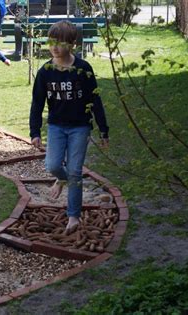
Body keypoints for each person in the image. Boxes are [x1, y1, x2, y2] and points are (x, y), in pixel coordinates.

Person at [29, 20, 110, 233]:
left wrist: (103, 129)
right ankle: (61, 179)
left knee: (75, 171)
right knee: (53, 166)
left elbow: (95, 100)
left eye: (60, 43)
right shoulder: (45, 72)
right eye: (51, 42)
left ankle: (73, 216)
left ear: (72, 44)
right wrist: (35, 131)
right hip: (56, 127)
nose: (55, 47)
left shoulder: (83, 69)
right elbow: (37, 103)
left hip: (80, 127)